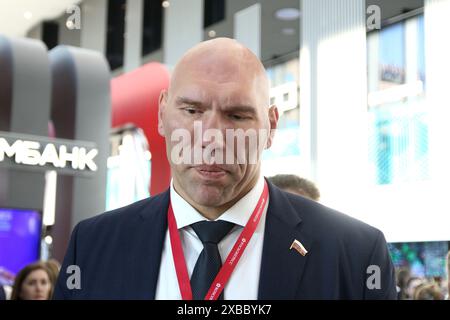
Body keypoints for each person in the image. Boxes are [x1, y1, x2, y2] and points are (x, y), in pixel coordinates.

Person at [54, 37, 396, 299]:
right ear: (161, 115)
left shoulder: (354, 253)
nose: (211, 137)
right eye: (191, 110)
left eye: (237, 115)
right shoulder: (93, 245)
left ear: (271, 126)